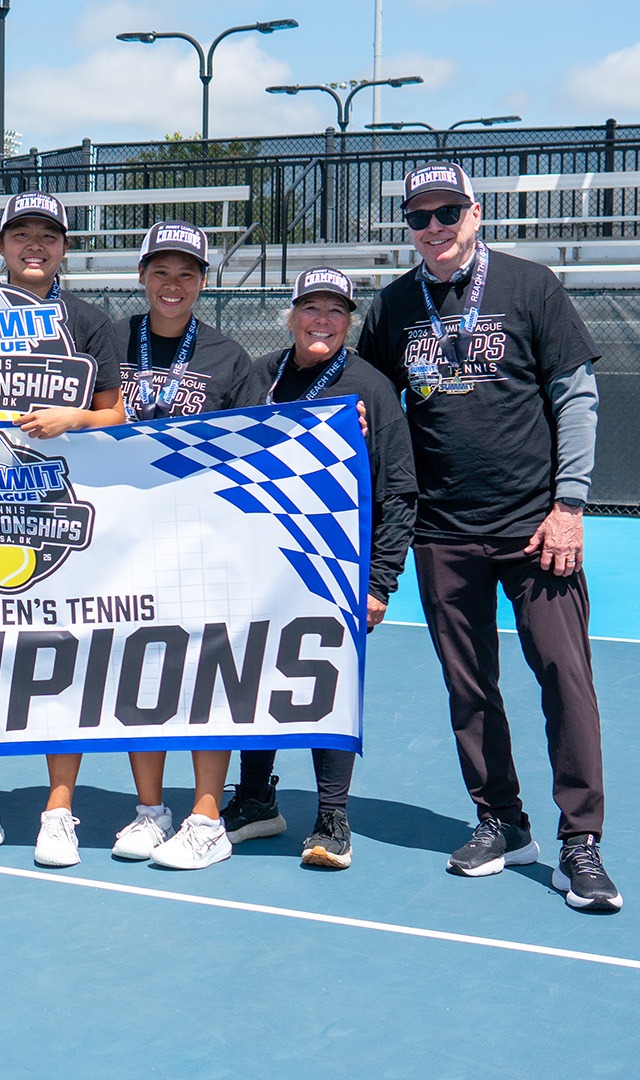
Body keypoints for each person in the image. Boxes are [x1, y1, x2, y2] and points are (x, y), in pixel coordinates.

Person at [357, 161, 619, 912]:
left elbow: (576, 399)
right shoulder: (394, 305)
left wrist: (569, 505)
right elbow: (369, 404)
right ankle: (502, 821)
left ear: (476, 213)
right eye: (420, 218)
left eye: (448, 213)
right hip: (444, 531)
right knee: (470, 691)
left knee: (566, 682)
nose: (434, 228)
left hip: (537, 529)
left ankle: (581, 842)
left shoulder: (531, 287)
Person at [0, 191, 129, 863]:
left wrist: (73, 420)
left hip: (56, 509)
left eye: (47, 234)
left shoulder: (91, 322)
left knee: (58, 656)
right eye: (20, 234)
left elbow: (119, 416)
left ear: (64, 247)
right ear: (2, 246)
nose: (33, 245)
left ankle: (59, 808)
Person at [210, 268, 416, 870]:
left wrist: (379, 582)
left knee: (325, 680)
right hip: (260, 557)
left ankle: (331, 815)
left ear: (349, 321)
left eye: (334, 311)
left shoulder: (369, 387)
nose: (320, 320)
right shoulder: (262, 372)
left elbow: (399, 487)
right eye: (310, 308)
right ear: (291, 314)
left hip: (334, 563)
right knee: (254, 675)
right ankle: (253, 799)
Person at [102, 221, 262, 871]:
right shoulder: (108, 343)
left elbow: (259, 448)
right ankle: (150, 811)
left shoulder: (227, 359)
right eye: (162, 272)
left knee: (204, 677)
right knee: (142, 672)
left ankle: (205, 815)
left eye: (188, 273)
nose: (174, 284)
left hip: (202, 543)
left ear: (203, 281)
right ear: (142, 277)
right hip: (123, 541)